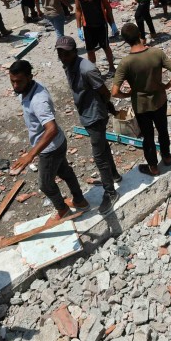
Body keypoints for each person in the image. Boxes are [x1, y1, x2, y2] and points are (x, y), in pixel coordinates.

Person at [8, 59, 90, 218]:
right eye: (12, 81)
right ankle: (80, 201)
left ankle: (63, 211)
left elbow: (51, 129)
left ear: (30, 77)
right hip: (56, 143)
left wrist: (30, 155)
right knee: (65, 171)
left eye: (19, 82)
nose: (15, 86)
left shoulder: (38, 101)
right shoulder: (29, 88)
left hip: (50, 148)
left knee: (45, 184)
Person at [56, 37, 122, 213]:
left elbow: (105, 93)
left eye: (66, 53)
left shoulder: (87, 69)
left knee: (99, 155)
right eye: (59, 52)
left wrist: (108, 109)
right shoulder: (68, 65)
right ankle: (114, 175)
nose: (62, 56)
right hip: (87, 113)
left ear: (75, 52)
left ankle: (111, 192)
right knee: (103, 147)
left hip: (95, 116)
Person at [111, 23, 171, 176]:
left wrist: (128, 94)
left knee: (148, 136)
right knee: (163, 130)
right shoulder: (157, 53)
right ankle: (167, 157)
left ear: (125, 40)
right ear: (139, 35)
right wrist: (167, 85)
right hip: (160, 100)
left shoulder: (125, 63)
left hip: (141, 106)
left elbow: (115, 92)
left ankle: (153, 167)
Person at [74, 0, 116, 73]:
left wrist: (113, 24)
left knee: (106, 46)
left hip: (101, 23)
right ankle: (94, 70)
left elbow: (107, 6)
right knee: (90, 50)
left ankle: (111, 67)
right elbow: (78, 9)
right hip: (87, 25)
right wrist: (78, 28)